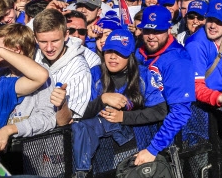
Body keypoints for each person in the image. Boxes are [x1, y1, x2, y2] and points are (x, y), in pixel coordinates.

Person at [71, 29, 167, 177]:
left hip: (136, 147)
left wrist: (123, 117)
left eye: (120, 52)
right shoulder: (94, 73)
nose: (113, 57)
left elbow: (160, 111)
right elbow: (78, 113)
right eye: (109, 51)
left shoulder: (144, 74)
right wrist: (102, 100)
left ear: (130, 55)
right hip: (101, 152)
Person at [0, 24, 55, 158]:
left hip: (31, 152)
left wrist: (9, 130)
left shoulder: (1, 84)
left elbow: (46, 117)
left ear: (16, 50)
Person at [134, 5, 195, 165]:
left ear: (168, 30)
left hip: (172, 140)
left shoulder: (177, 60)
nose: (151, 36)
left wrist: (153, 148)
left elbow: (181, 112)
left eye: (158, 31)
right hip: (143, 127)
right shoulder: (140, 51)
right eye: (147, 30)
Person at [33, 9, 92, 126]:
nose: (49, 48)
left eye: (55, 41)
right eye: (43, 42)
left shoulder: (79, 69)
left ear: (66, 35)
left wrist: (62, 104)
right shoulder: (32, 54)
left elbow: (66, 122)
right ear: (35, 39)